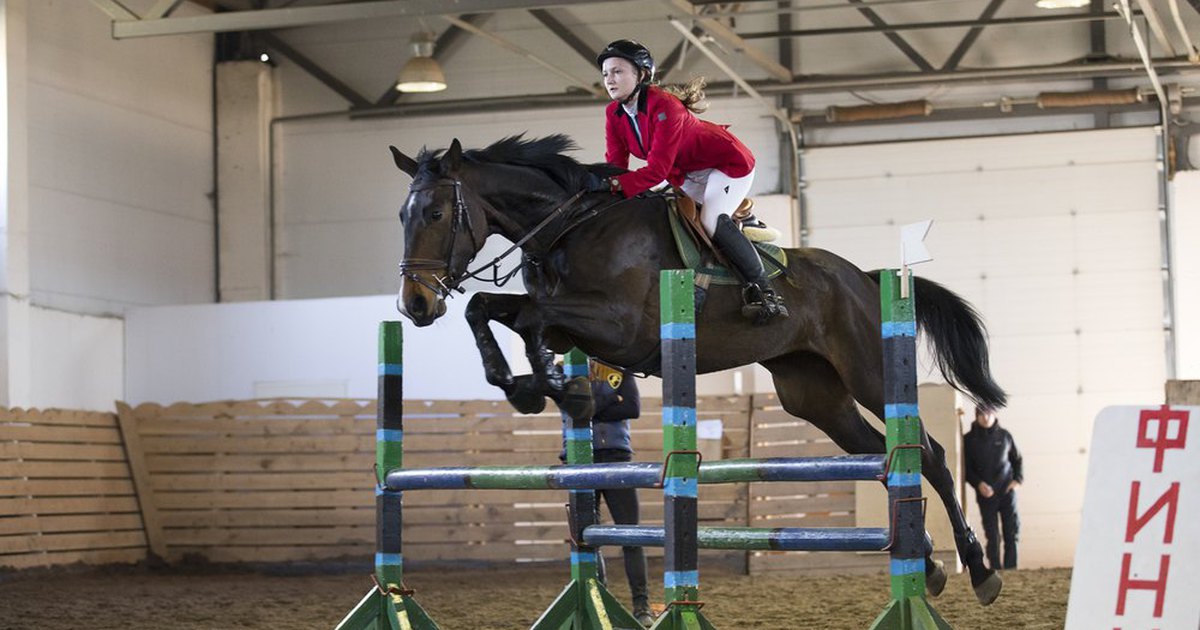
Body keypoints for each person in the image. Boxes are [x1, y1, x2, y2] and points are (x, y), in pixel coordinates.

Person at [587, 39, 788, 325]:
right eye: (606, 74)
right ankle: (745, 221)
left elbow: (655, 171)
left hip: (726, 164)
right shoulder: (614, 114)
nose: (610, 80)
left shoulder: (665, 106)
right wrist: (600, 184)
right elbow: (617, 165)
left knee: (711, 221)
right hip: (686, 172)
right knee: (675, 216)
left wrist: (616, 186)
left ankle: (765, 293)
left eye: (618, 71)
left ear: (642, 74)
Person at [559, 359, 652, 627]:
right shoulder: (564, 371)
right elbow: (577, 409)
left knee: (630, 535)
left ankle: (641, 605)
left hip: (615, 459)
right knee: (588, 539)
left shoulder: (619, 368)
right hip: (590, 459)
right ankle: (613, 601)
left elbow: (632, 407)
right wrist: (612, 400)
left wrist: (592, 407)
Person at [963, 405, 1023, 571]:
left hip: (1006, 492)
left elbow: (1017, 460)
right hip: (985, 495)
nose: (985, 417)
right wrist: (978, 484)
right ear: (976, 416)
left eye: (988, 413)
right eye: (981, 414)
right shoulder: (968, 440)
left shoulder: (1005, 436)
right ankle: (995, 568)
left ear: (994, 414)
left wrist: (1017, 480)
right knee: (993, 535)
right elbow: (966, 469)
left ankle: (1011, 569)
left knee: (1012, 532)